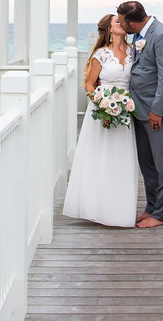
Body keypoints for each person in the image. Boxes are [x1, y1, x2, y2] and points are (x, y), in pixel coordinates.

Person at [62, 13, 137, 227]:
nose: (122, 24)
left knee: (121, 158)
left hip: (126, 112)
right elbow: (89, 83)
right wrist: (101, 103)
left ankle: (121, 209)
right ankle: (96, 207)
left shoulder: (134, 52)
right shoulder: (101, 55)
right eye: (117, 22)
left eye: (123, 22)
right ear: (109, 29)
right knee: (100, 157)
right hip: (101, 112)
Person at [117, 0, 163, 228]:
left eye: (122, 22)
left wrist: (157, 111)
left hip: (157, 113)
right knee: (147, 164)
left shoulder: (162, 36)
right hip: (140, 110)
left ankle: (161, 214)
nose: (121, 26)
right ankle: (151, 207)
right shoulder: (139, 35)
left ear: (132, 23)